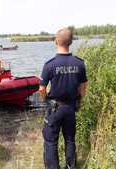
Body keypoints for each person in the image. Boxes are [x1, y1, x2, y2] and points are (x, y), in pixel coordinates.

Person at [39, 28, 88, 169]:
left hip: (55, 108)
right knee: (70, 139)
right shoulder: (79, 63)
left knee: (50, 141)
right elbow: (83, 87)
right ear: (71, 42)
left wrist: (45, 100)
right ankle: (70, 167)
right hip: (71, 108)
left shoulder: (50, 65)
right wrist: (80, 102)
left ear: (56, 41)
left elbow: (41, 89)